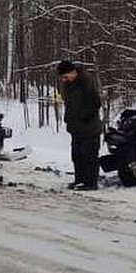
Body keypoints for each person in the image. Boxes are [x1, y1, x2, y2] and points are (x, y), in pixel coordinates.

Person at [57, 58, 103, 190]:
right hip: (75, 127)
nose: (65, 80)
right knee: (77, 155)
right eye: (63, 78)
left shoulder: (86, 81)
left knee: (89, 155)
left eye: (66, 77)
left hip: (89, 127)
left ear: (72, 72)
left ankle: (90, 183)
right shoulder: (67, 85)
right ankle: (79, 180)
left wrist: (84, 117)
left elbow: (96, 102)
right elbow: (69, 105)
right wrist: (68, 119)